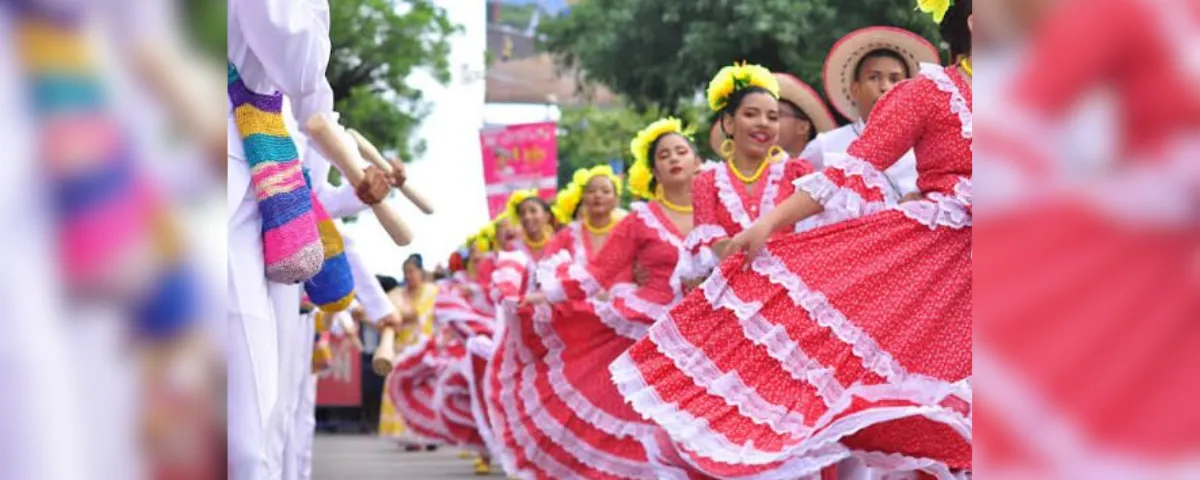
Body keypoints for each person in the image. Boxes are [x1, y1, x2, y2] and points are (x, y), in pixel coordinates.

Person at [611, 2, 973, 478]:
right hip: (936, 271)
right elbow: (850, 171)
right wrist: (764, 226)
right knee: (917, 413)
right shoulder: (929, 92)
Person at [486, 119, 703, 480]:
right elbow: (597, 273)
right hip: (649, 327)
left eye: (682, 151)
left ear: (698, 161)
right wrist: (541, 295)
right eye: (664, 155)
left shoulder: (716, 203)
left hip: (707, 327)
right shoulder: (639, 220)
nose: (674, 159)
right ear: (652, 172)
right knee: (649, 418)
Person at [683, 63, 821, 287]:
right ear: (729, 122)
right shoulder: (706, 181)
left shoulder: (797, 172)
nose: (763, 123)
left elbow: (817, 230)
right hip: (730, 293)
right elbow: (709, 242)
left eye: (773, 117)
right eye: (751, 114)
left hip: (790, 290)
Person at [802, 26, 940, 201]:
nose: (885, 87)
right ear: (855, 88)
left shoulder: (927, 151)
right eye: (874, 78)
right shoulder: (825, 146)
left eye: (895, 79)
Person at [381, 254, 447, 449]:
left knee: (429, 393)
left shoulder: (433, 293)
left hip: (428, 350)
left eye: (412, 271)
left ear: (421, 272)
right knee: (404, 391)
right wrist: (400, 318)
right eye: (406, 272)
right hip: (402, 351)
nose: (409, 276)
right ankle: (410, 436)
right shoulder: (396, 295)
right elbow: (382, 319)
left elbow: (442, 318)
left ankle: (431, 433)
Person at [544, 165, 627, 266]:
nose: (598, 195)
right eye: (591, 191)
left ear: (616, 199)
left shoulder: (629, 230)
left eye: (606, 191)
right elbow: (547, 266)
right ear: (583, 197)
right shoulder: (568, 235)